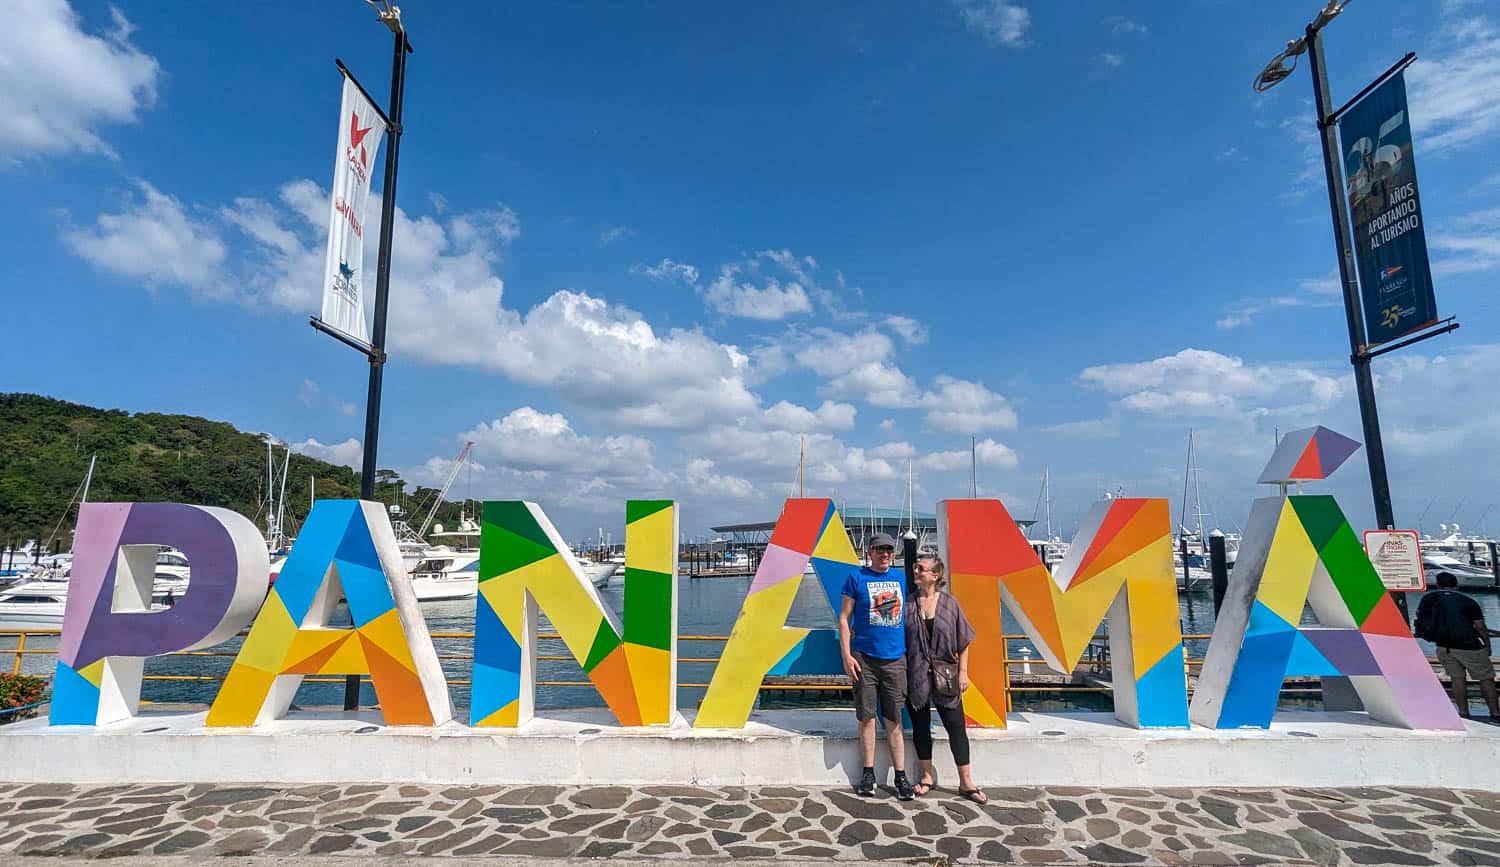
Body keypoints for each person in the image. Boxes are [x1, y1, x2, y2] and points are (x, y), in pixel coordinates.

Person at [839, 532, 914, 799]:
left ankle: (901, 776)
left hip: (896, 659)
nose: (885, 554)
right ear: (869, 552)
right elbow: (845, 618)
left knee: (894, 720)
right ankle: (868, 773)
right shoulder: (856, 578)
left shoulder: (902, 579)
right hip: (864, 660)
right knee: (867, 718)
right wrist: (847, 655)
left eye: (889, 550)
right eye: (880, 550)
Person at [905, 555, 985, 803]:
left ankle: (966, 781)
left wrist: (963, 672)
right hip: (916, 673)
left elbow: (964, 640)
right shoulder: (908, 603)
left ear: (936, 575)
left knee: (955, 726)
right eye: (915, 567)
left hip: (946, 674)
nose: (915, 570)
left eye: (921, 568)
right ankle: (926, 776)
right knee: (920, 726)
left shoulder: (950, 604)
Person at [1415, 573, 1500, 721]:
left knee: (1457, 680)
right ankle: (1495, 714)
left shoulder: (1428, 599)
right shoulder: (1468, 601)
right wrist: (1487, 645)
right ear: (1457, 585)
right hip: (1469, 645)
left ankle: (1463, 713)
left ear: (1437, 585)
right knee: (1486, 679)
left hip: (1443, 646)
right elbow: (1480, 627)